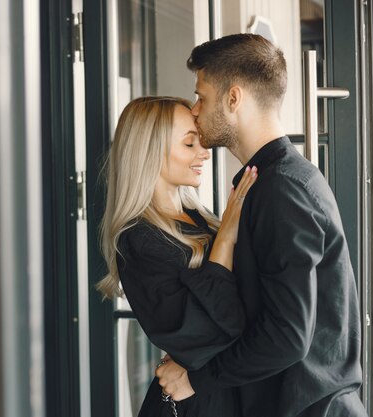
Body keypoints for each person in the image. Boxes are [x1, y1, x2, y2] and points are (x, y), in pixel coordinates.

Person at [156, 33, 368, 417]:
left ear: (233, 98)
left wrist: (197, 378)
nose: (195, 108)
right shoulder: (268, 181)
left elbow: (287, 336)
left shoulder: (282, 189)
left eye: (201, 95)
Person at [97, 95, 258, 416]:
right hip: (198, 403)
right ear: (149, 152)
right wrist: (225, 240)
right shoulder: (139, 239)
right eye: (189, 144)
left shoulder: (198, 219)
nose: (204, 153)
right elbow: (217, 331)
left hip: (220, 391)